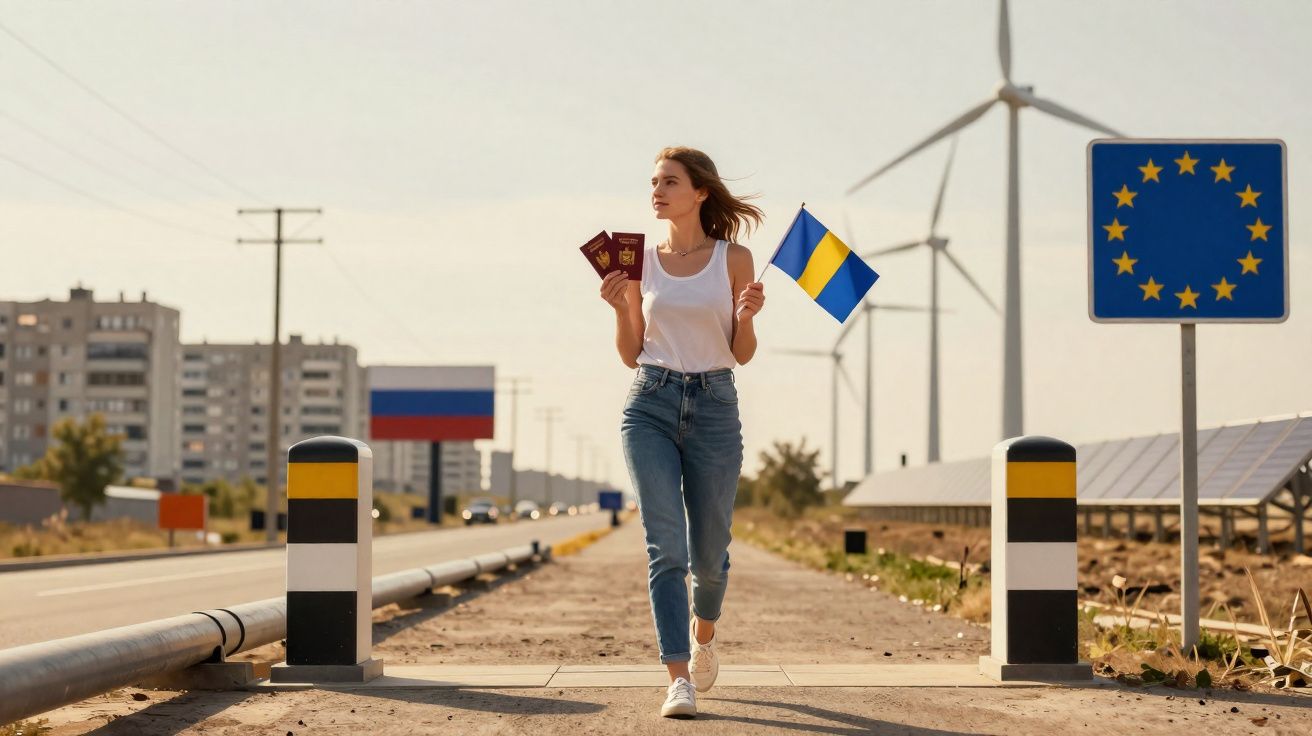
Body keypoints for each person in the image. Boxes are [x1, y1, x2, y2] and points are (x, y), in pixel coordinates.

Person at [598, 146, 765, 718]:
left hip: (715, 404)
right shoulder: (636, 259)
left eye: (669, 181)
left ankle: (705, 639)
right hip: (649, 402)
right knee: (664, 545)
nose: (657, 190)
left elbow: (741, 354)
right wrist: (622, 307)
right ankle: (677, 679)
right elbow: (630, 354)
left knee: (711, 552)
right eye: (653, 182)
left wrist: (747, 314)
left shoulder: (734, 258)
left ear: (699, 192)